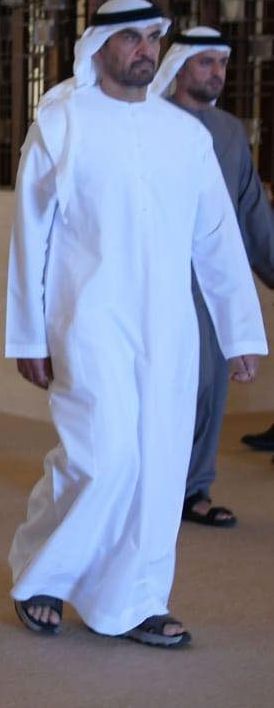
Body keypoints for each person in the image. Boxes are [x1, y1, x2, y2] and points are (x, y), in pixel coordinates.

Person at [6, 0, 266, 648]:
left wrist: (239, 331)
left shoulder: (185, 135)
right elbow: (30, 236)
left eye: (153, 37)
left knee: (158, 465)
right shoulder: (61, 122)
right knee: (102, 456)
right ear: (98, 48)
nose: (145, 49)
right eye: (131, 38)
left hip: (169, 330)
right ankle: (42, 574)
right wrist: (27, 333)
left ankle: (135, 599)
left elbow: (216, 239)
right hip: (87, 318)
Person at [147, 29, 274, 526]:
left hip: (214, 282)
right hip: (156, 281)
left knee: (210, 388)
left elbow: (250, 207)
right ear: (177, 67)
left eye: (222, 63)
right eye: (205, 62)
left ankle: (193, 489)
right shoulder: (147, 123)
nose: (217, 72)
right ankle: (148, 487)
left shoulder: (229, 131)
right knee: (162, 387)